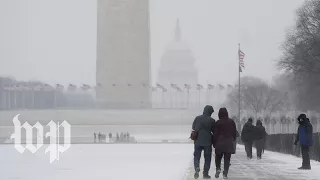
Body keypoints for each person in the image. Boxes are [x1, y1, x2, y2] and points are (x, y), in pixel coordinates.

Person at [212, 107, 237, 179]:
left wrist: (214, 143)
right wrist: (233, 139)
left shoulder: (218, 123)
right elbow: (234, 132)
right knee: (227, 159)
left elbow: (215, 134)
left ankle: (218, 168)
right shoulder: (231, 122)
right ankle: (225, 173)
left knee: (218, 157)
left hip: (219, 143)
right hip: (228, 143)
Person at [192, 105, 215, 179]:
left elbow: (193, 127)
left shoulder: (197, 118)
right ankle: (205, 174)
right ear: (210, 112)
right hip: (207, 141)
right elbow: (214, 130)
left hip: (198, 140)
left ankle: (197, 168)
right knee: (207, 158)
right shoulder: (212, 120)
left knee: (196, 156)